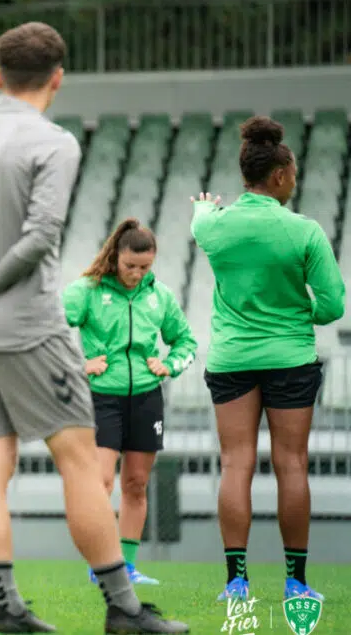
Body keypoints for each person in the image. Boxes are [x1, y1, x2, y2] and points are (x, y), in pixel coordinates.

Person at [0, 21, 188, 634]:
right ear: (58, 78)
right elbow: (40, 236)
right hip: (30, 327)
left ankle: (7, 610)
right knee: (81, 462)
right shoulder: (55, 142)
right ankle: (123, 610)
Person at [192, 116, 344, 604]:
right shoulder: (304, 230)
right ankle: (296, 583)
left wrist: (203, 210)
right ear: (279, 175)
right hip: (290, 356)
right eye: (293, 173)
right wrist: (302, 309)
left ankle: (235, 583)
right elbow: (333, 305)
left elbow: (201, 218)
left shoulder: (212, 225)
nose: (295, 181)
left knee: (235, 464)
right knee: (292, 464)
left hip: (233, 357)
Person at [63, 218, 197, 587]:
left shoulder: (161, 296)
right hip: (102, 398)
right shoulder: (86, 291)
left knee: (136, 484)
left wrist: (169, 365)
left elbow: (186, 343)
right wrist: (79, 365)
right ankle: (102, 564)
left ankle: (128, 567)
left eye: (145, 268)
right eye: (130, 267)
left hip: (146, 400)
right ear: (114, 258)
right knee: (101, 483)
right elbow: (49, 329)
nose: (137, 274)